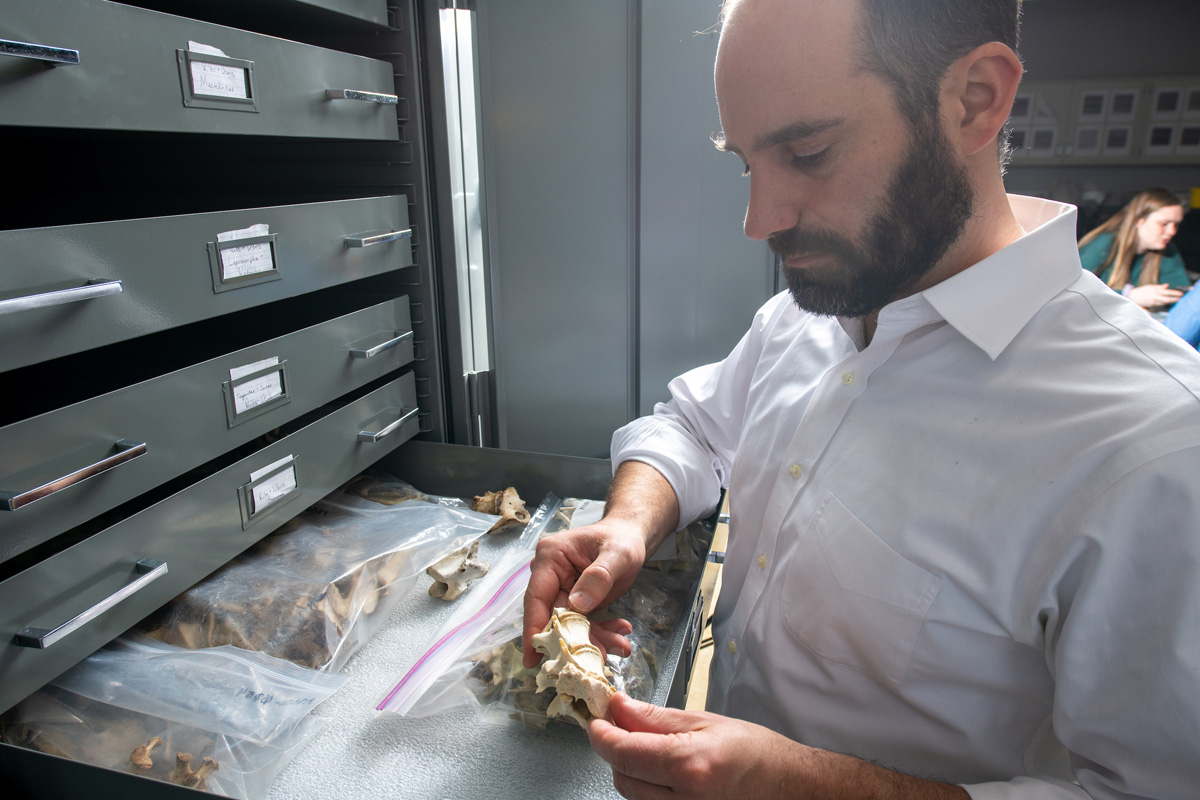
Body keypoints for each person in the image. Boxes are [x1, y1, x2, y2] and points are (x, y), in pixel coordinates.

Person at [523, 0, 1200, 798]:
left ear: (975, 98)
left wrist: (800, 785)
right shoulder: (810, 314)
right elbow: (695, 427)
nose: (758, 219)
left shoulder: (1156, 450)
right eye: (745, 163)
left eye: (808, 151)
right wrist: (630, 523)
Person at [1077, 187, 1189, 312]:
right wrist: (1129, 295)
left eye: (1176, 224)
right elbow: (1074, 294)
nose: (1172, 231)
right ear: (1139, 221)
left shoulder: (1167, 249)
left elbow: (1181, 292)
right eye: (1164, 224)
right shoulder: (1103, 244)